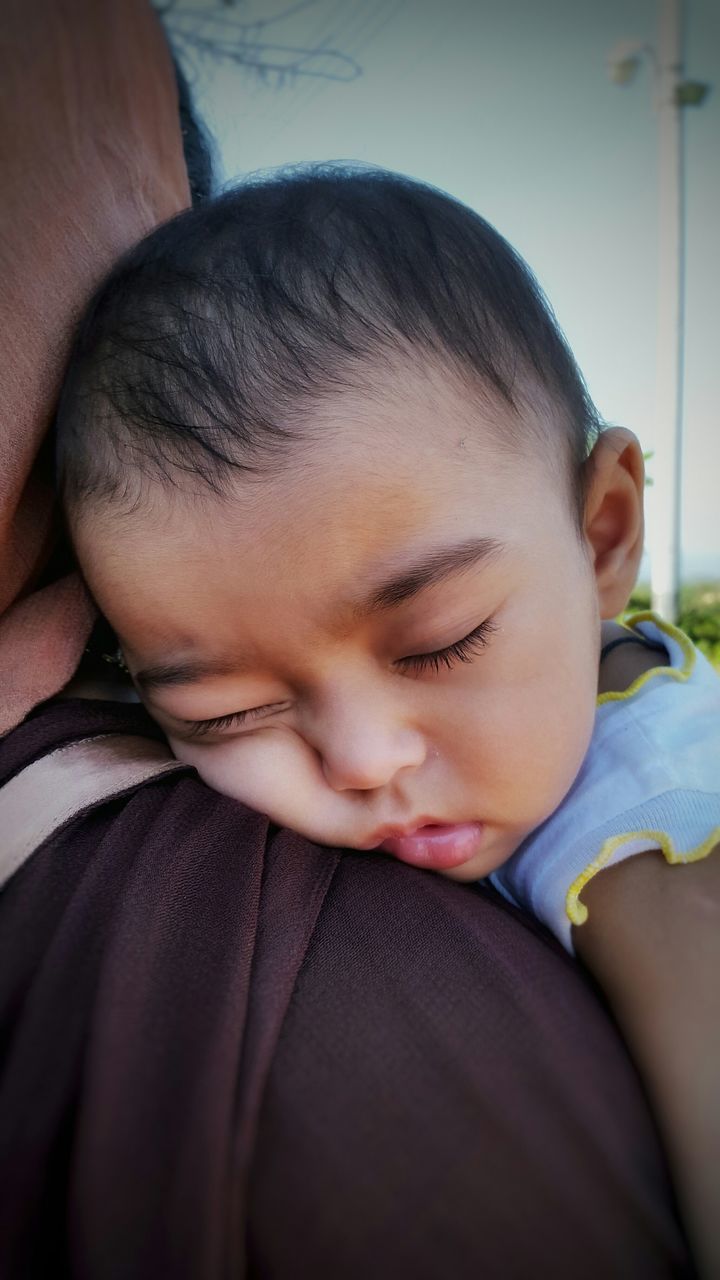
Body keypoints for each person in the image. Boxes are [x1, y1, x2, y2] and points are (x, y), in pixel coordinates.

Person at [0, 2, 701, 1276]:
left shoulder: (662, 803)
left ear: (603, 536)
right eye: (225, 714)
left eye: (438, 641)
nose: (364, 757)